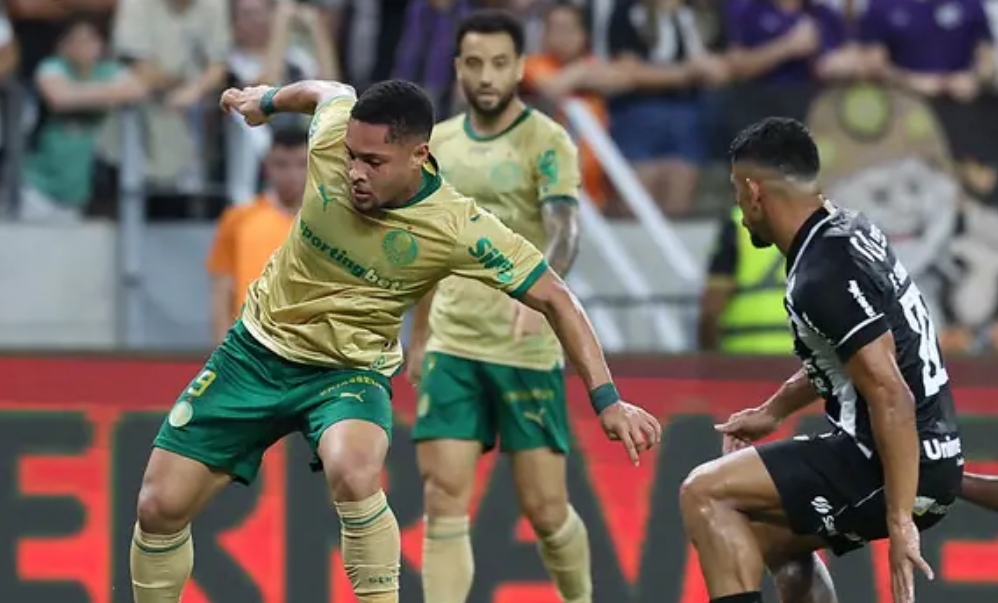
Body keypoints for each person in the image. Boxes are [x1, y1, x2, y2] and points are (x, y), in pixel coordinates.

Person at [127, 77, 662, 603]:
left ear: (418, 155)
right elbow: (328, 91)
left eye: (374, 162)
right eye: (351, 156)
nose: (355, 172)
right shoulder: (334, 135)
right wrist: (263, 101)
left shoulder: (458, 226)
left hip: (348, 373)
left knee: (354, 470)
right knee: (157, 507)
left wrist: (608, 400)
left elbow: (557, 298)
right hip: (255, 351)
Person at [679, 117, 962, 603]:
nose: (739, 209)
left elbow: (889, 392)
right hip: (929, 455)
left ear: (754, 190)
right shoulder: (850, 229)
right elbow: (850, 355)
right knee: (763, 534)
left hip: (886, 462)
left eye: (736, 191)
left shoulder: (822, 274)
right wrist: (773, 411)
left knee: (703, 492)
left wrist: (901, 524)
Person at [406, 10, 589, 603]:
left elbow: (565, 230)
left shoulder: (548, 141)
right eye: (476, 63)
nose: (487, 76)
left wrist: (542, 296)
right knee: (442, 497)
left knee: (546, 509)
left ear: (519, 68)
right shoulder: (438, 145)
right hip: (453, 344)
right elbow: (429, 247)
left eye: (500, 64)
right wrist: (419, 333)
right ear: (458, 67)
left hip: (524, 348)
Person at [207, 125, 307, 343]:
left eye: (301, 164)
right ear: (267, 166)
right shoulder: (238, 219)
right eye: (282, 164)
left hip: (306, 346)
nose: (292, 175)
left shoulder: (325, 223)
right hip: (250, 344)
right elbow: (222, 291)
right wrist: (222, 349)